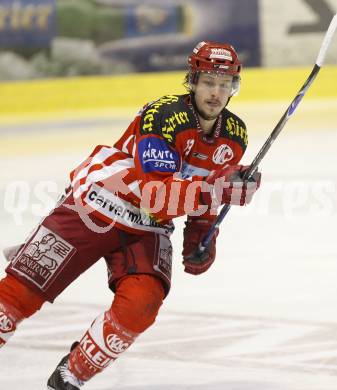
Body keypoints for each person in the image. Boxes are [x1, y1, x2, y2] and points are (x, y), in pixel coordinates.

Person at [0, 41, 261, 389]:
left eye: (224, 83)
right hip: (97, 204)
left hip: (147, 226)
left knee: (141, 304)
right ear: (192, 80)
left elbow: (204, 186)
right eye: (208, 82)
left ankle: (70, 376)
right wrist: (215, 189)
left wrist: (201, 234)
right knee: (19, 294)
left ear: (234, 87)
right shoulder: (164, 115)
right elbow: (156, 196)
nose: (216, 92)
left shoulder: (235, 135)